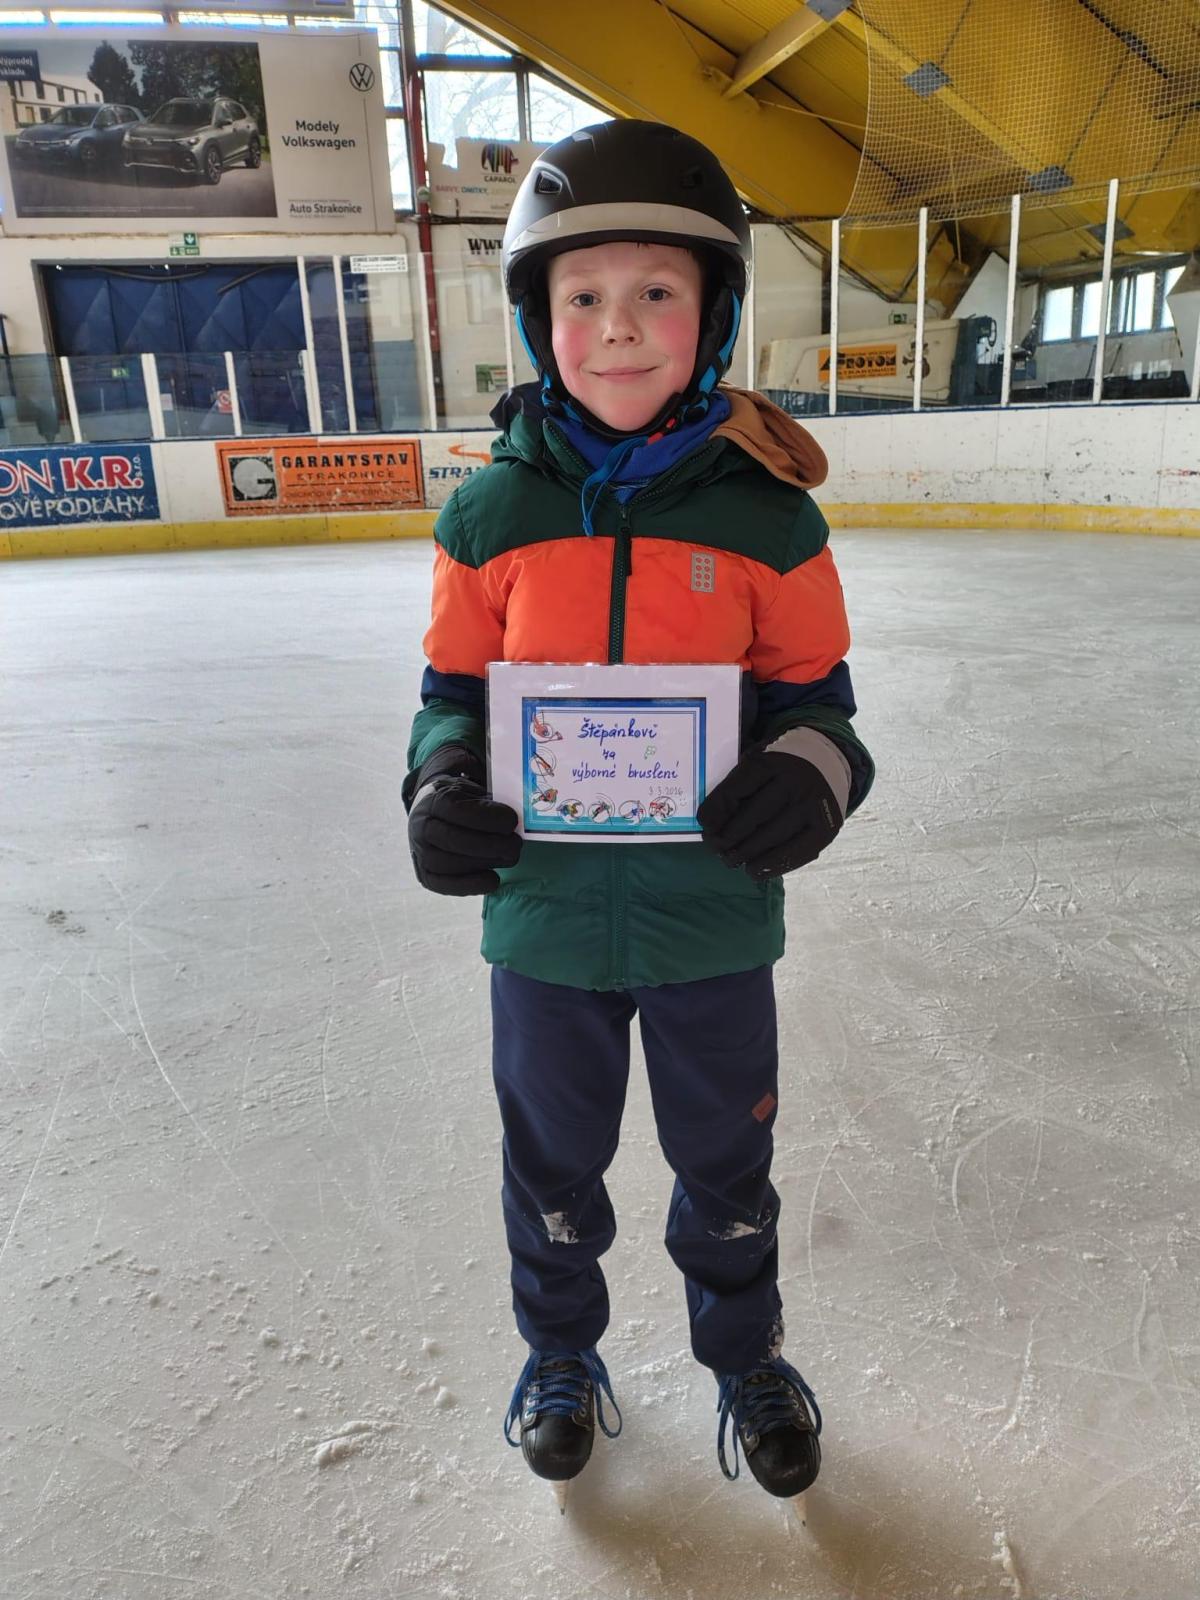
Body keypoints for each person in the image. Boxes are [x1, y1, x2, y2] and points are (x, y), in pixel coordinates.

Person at [404, 119, 875, 1510]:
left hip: (710, 920)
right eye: (584, 296)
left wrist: (811, 773)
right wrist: (438, 782)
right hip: (544, 924)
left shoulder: (770, 522)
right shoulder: (490, 517)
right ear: (539, 321)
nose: (618, 326)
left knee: (727, 1159)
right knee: (551, 1161)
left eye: (657, 291)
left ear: (712, 314)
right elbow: (449, 693)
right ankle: (559, 1354)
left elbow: (821, 702)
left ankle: (745, 1357)